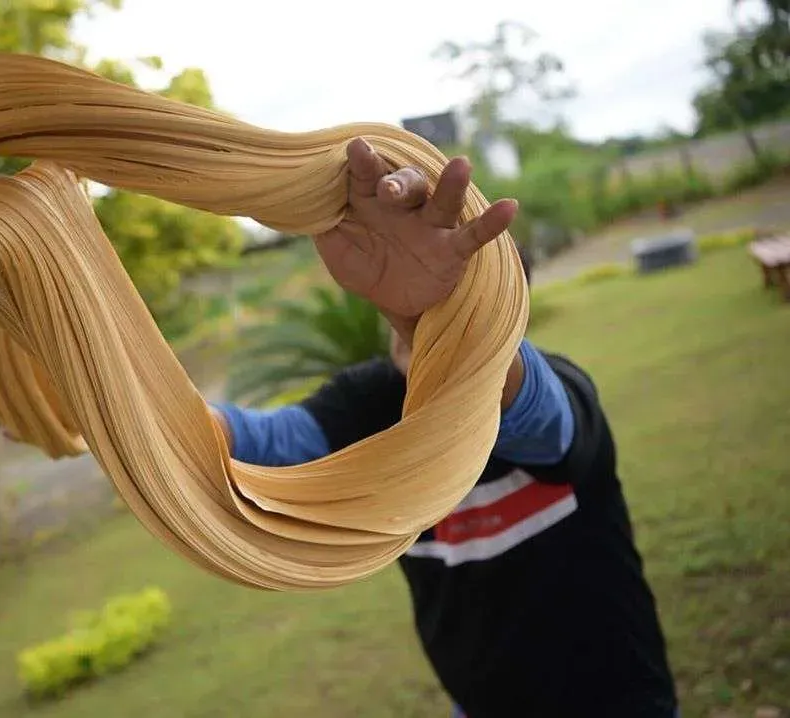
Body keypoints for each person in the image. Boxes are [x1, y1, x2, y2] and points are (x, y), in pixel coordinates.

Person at [208, 141, 679, 717]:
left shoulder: (552, 389)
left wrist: (450, 325)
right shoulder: (368, 402)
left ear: (514, 313)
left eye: (459, 300)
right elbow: (262, 443)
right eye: (424, 314)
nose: (431, 324)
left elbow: (537, 421)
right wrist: (119, 397)